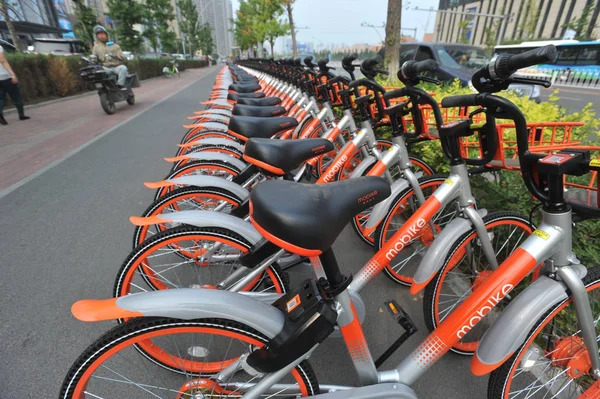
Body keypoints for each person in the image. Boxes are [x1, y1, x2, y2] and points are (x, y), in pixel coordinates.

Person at [0, 45, 30, 125]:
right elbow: (2, 60)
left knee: (1, 97)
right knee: (16, 95)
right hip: (6, 76)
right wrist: (12, 74)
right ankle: (21, 115)